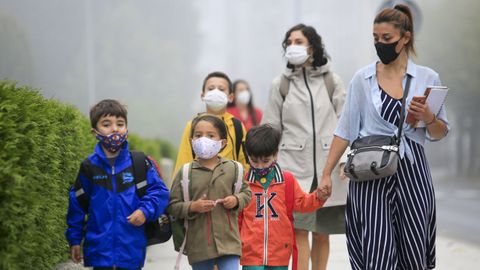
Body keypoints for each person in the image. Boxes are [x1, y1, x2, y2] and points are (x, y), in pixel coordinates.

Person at [319, 4, 450, 269]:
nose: (381, 44)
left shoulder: (427, 77)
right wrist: (326, 173)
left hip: (412, 173)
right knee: (376, 250)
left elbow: (440, 132)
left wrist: (427, 116)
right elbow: (345, 130)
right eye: (376, 39)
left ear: (405, 38)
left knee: (414, 249)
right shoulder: (362, 79)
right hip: (370, 173)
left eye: (387, 39)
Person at [262, 24, 347, 270]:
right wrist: (267, 166)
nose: (293, 46)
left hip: (327, 169)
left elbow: (347, 122)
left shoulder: (331, 80)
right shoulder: (281, 84)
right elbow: (270, 127)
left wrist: (345, 159)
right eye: (289, 42)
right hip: (293, 169)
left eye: (298, 41)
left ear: (312, 46)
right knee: (299, 230)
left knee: (322, 233)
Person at [65, 99, 170, 270]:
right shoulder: (89, 167)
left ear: (126, 129)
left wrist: (144, 211)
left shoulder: (139, 162)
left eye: (120, 124)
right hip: (99, 254)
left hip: (131, 252)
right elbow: (76, 204)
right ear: (94, 131)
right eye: (107, 124)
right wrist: (75, 240)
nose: (115, 129)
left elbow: (160, 192)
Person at [168, 114, 252, 270]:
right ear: (191, 140)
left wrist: (236, 200)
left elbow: (247, 193)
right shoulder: (186, 172)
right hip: (199, 246)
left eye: (210, 135)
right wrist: (193, 207)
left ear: (223, 143)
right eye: (198, 135)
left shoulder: (233, 169)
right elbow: (172, 205)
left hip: (229, 243)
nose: (203, 139)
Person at [240, 124, 328, 270]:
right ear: (247, 156)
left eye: (266, 160)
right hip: (251, 254)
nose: (260, 166)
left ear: (276, 154)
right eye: (254, 161)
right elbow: (238, 216)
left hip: (279, 253)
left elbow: (303, 203)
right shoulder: (243, 182)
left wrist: (318, 197)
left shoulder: (287, 180)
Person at [174, 72, 249, 175]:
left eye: (221, 89)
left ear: (231, 97)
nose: (216, 92)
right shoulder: (192, 125)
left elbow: (245, 164)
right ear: (202, 95)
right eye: (211, 88)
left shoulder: (237, 126)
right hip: (198, 186)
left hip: (229, 187)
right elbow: (183, 161)